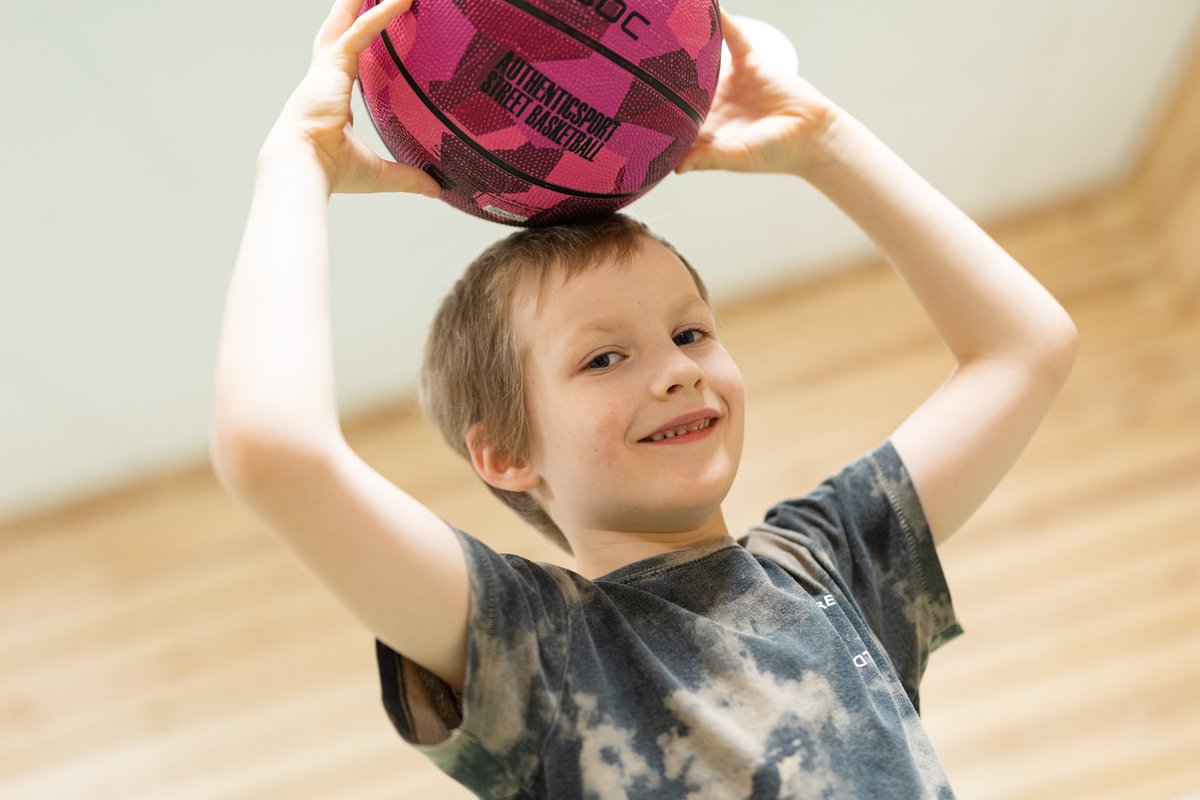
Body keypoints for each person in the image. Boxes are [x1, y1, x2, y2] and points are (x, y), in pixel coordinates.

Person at [210, 0, 1079, 796]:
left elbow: (1026, 350)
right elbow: (275, 454)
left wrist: (825, 141)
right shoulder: (546, 652)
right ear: (506, 455)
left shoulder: (826, 566)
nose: (676, 371)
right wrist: (296, 166)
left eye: (690, 334)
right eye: (603, 359)